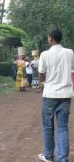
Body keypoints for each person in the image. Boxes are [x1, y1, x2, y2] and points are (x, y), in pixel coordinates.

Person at [37, 29, 74, 162]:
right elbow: (71, 71)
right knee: (63, 127)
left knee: (48, 126)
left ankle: (48, 156)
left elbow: (41, 72)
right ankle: (63, 159)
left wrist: (43, 84)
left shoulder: (44, 54)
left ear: (51, 38)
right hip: (65, 94)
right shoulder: (70, 53)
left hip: (50, 94)